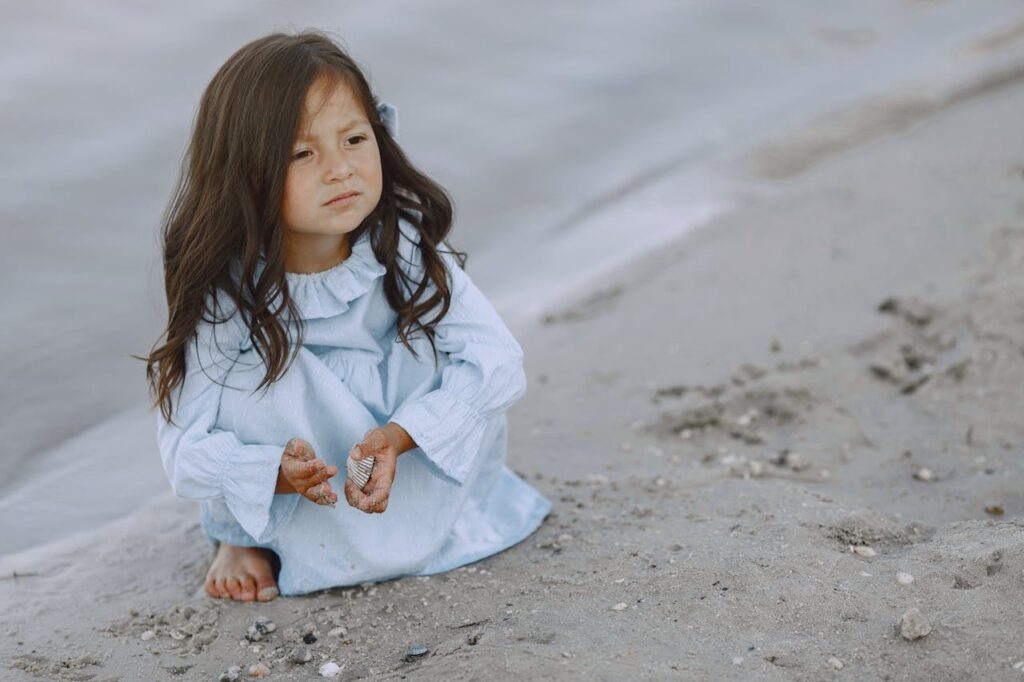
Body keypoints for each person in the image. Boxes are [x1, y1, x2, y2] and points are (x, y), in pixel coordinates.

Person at [141, 30, 551, 601]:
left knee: (452, 352)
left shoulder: (398, 243)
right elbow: (183, 450)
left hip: (395, 460)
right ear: (247, 173)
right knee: (244, 387)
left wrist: (402, 435)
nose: (341, 169)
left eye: (355, 139)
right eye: (302, 153)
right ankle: (240, 535)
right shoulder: (231, 291)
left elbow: (501, 360)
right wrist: (272, 473)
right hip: (306, 480)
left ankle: (408, 515)